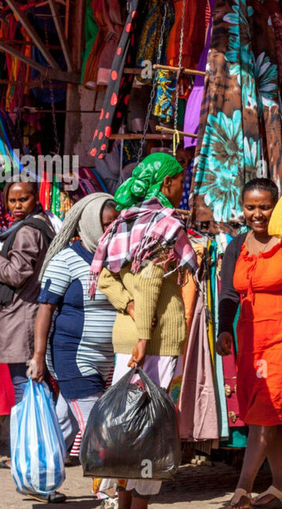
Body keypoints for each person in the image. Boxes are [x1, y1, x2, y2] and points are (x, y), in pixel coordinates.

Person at [91, 153, 198, 509]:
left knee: (125, 424)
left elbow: (104, 277)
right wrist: (143, 335)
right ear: (166, 184)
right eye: (180, 181)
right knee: (150, 427)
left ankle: (121, 498)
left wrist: (127, 304)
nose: (183, 188)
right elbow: (152, 283)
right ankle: (140, 504)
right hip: (154, 342)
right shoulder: (165, 226)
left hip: (128, 338)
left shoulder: (122, 222)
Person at [217, 178, 282, 509]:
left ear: (277, 205)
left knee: (266, 409)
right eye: (251, 207)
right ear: (242, 207)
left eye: (265, 206)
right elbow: (230, 293)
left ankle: (242, 489)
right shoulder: (236, 246)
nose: (257, 214)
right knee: (267, 410)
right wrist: (223, 329)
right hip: (251, 338)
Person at [29, 193, 120, 457]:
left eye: (116, 222)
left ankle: (37, 472)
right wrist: (38, 356)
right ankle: (110, 490)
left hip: (105, 361)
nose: (111, 229)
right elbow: (45, 309)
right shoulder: (66, 261)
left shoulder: (117, 261)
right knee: (98, 428)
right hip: (73, 358)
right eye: (106, 224)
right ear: (90, 223)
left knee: (64, 423)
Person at [0, 181, 58, 498]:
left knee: (27, 392)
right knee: (27, 392)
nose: (16, 205)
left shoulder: (29, 231)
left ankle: (34, 462)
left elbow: (16, 274)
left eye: (23, 199)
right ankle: (28, 457)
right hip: (22, 317)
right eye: (11, 200)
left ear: (35, 198)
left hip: (22, 318)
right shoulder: (34, 226)